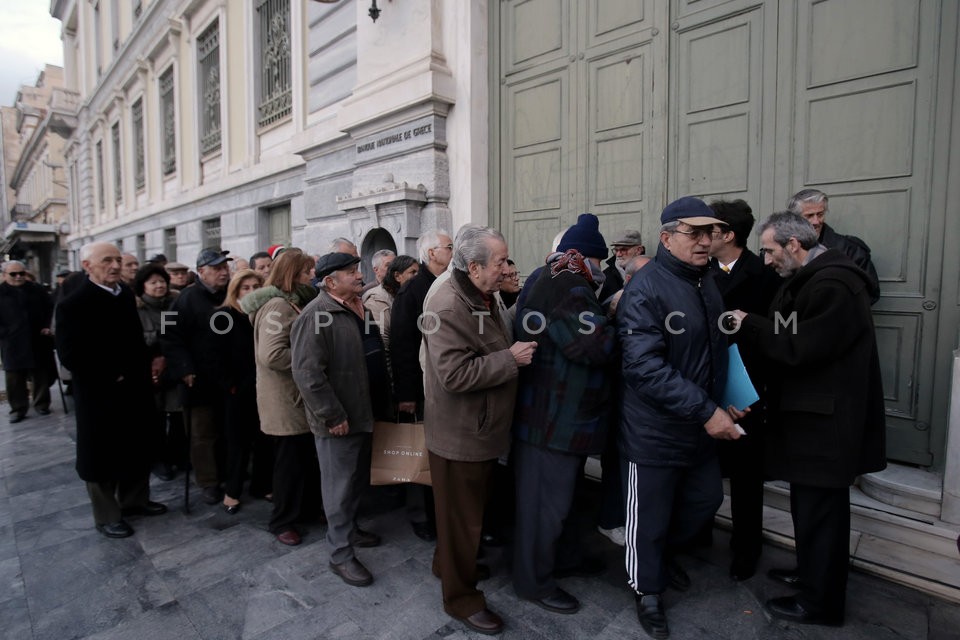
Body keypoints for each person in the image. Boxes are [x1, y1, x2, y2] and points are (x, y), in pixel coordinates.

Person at [728, 211, 886, 627]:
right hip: (812, 419)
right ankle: (811, 573)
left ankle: (821, 602)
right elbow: (793, 329)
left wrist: (750, 324)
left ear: (794, 245)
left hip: (826, 424)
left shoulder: (834, 283)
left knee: (822, 513)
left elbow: (801, 346)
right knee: (809, 507)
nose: (766, 260)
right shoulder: (812, 279)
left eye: (769, 250)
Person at [617, 196, 743, 640]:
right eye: (695, 233)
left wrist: (729, 397)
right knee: (647, 518)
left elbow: (714, 349)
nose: (706, 241)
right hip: (654, 430)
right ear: (667, 237)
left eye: (711, 232)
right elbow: (643, 367)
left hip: (699, 425)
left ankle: (663, 557)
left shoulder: (707, 281)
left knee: (704, 501)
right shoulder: (646, 287)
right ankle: (646, 590)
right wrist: (705, 408)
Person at [421, 226, 537, 635]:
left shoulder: (479, 294)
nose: (507, 267)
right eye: (501, 261)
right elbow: (454, 374)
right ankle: (461, 599)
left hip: (478, 430)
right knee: (462, 520)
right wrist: (511, 359)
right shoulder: (450, 305)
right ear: (473, 267)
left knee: (461, 518)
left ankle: (448, 565)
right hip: (460, 435)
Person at [512, 244, 618, 614]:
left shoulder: (549, 277)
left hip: (551, 416)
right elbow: (594, 347)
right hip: (553, 419)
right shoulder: (570, 286)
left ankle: (562, 561)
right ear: (587, 258)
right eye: (601, 261)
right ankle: (533, 583)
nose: (603, 268)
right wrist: (613, 316)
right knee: (544, 508)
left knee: (557, 504)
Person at [291, 252, 391, 587]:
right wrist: (332, 415)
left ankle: (349, 530)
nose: (360, 276)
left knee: (354, 482)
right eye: (351, 273)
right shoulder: (316, 314)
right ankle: (340, 555)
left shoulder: (357, 305)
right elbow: (307, 374)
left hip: (365, 412)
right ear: (330, 281)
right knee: (339, 488)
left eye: (358, 271)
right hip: (340, 419)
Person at [55, 242, 167, 538]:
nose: (116, 266)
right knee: (101, 456)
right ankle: (107, 515)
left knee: (136, 446)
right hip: (100, 395)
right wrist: (110, 375)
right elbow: (69, 355)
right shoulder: (73, 304)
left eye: (118, 260)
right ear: (88, 266)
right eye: (107, 260)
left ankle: (134, 501)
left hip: (135, 388)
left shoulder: (125, 295)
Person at [706, 199, 781, 581]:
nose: (703, 238)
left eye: (710, 231)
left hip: (748, 395)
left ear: (729, 235)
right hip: (705, 392)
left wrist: (750, 394)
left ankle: (746, 550)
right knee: (702, 472)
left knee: (747, 481)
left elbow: (776, 338)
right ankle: (698, 537)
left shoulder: (766, 275)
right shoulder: (698, 271)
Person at [240, 249, 321, 545]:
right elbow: (272, 354)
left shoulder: (289, 302)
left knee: (301, 460)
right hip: (285, 400)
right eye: (305, 272)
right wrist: (311, 360)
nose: (311, 276)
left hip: (293, 399)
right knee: (288, 463)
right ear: (291, 274)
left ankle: (304, 511)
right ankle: (282, 521)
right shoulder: (278, 307)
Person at [390, 228, 453, 541]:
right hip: (419, 387)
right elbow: (401, 344)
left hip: (444, 387)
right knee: (418, 452)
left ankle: (439, 510)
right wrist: (406, 394)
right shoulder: (413, 289)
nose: (453, 251)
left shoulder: (447, 283)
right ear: (432, 253)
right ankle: (419, 515)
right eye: (448, 246)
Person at [160, 247, 233, 504]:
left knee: (228, 430)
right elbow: (168, 337)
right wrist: (184, 369)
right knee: (203, 435)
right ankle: (209, 481)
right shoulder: (182, 300)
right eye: (217, 268)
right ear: (201, 272)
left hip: (229, 378)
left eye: (225, 267)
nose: (224, 272)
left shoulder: (232, 295)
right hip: (198, 381)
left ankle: (229, 474)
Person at [215, 269, 271, 515]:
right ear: (235, 291)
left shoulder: (264, 314)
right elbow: (215, 357)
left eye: (255, 287)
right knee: (237, 443)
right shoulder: (224, 316)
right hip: (237, 391)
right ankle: (232, 491)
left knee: (264, 440)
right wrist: (230, 386)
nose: (251, 292)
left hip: (264, 388)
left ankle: (261, 485)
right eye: (245, 288)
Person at [133, 263, 184, 482]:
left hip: (172, 366)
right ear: (143, 286)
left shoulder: (173, 302)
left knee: (176, 412)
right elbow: (141, 339)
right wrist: (163, 331)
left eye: (162, 281)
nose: (159, 286)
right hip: (148, 369)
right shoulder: (137, 307)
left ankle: (177, 454)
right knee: (155, 417)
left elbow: (177, 334)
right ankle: (158, 459)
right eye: (153, 282)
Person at [786, 189, 879, 303]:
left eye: (820, 214)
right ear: (794, 219)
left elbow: (870, 293)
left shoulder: (851, 250)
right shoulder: (781, 248)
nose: (816, 221)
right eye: (809, 216)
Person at [0, 260, 55, 422]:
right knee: (14, 377)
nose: (18, 277)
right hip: (12, 342)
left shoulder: (37, 289)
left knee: (40, 374)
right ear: (4, 275)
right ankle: (18, 408)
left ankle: (41, 404)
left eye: (21, 273)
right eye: (13, 274)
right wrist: (5, 333)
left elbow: (49, 308)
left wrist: (47, 326)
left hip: (37, 339)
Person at [362, 254, 418, 351]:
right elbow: (382, 344)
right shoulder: (376, 299)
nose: (417, 276)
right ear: (397, 276)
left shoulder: (409, 295)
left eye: (418, 272)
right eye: (413, 272)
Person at [598, 229, 644, 305]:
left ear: (639, 250)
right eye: (616, 250)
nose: (618, 254)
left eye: (623, 249)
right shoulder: (605, 277)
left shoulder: (650, 273)